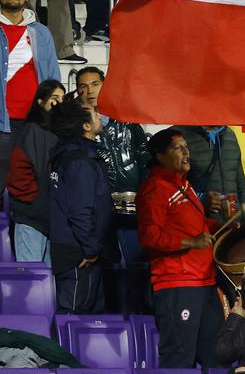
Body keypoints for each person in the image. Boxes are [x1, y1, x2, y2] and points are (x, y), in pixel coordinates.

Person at [137, 128, 222, 368]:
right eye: (178, 148)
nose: (186, 153)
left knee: (214, 358)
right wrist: (190, 243)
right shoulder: (154, 188)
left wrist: (222, 226)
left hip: (204, 280)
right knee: (179, 359)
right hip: (177, 283)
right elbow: (148, 235)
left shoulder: (185, 185)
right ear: (159, 156)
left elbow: (197, 226)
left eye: (186, 147)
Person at [47, 99, 111, 313]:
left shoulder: (66, 155)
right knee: (74, 319)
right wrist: (91, 250)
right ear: (85, 126)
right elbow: (80, 211)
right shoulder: (80, 161)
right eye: (95, 113)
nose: (99, 116)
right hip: (79, 256)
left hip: (75, 252)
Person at [0, 0, 60, 188]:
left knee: (32, 187)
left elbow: (53, 78)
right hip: (2, 124)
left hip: (35, 123)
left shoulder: (41, 33)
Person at [4, 77, 62, 262]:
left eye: (62, 98)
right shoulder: (32, 130)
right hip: (32, 220)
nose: (59, 103)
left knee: (50, 282)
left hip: (53, 219)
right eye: (54, 98)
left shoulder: (61, 132)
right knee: (31, 280)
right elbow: (17, 174)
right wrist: (33, 203)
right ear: (40, 101)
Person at [74, 67, 149, 194]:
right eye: (83, 86)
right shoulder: (74, 125)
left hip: (133, 197)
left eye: (95, 84)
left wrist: (144, 191)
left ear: (105, 86)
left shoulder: (126, 119)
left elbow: (143, 156)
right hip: (98, 199)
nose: (90, 91)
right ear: (78, 91)